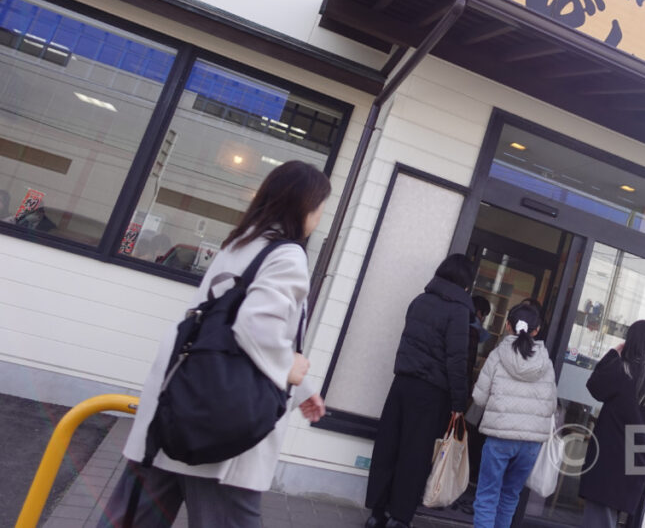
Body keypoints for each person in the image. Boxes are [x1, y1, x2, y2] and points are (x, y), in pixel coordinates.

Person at [96, 160, 331, 527]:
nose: (318, 219)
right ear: (303, 206)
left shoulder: (240, 243)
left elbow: (215, 324)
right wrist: (291, 372)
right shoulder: (287, 254)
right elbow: (257, 326)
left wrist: (304, 390)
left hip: (176, 404)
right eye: (319, 210)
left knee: (132, 518)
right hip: (224, 425)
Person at [365, 253, 475, 528]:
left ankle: (376, 514)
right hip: (431, 392)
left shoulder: (420, 300)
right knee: (414, 454)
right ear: (465, 282)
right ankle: (400, 518)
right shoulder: (458, 311)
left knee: (389, 447)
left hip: (401, 384)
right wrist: (459, 403)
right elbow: (456, 360)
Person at [578, 320, 645, 528]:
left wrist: (613, 354)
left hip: (607, 457)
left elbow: (595, 387)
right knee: (610, 518)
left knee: (599, 519)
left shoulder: (624, 371)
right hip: (637, 462)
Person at [471, 302, 557, 528]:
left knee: (487, 496)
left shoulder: (497, 355)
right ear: (536, 331)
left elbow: (479, 398)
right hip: (530, 444)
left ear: (508, 326)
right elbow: (551, 406)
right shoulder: (545, 363)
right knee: (510, 497)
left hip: (499, 436)